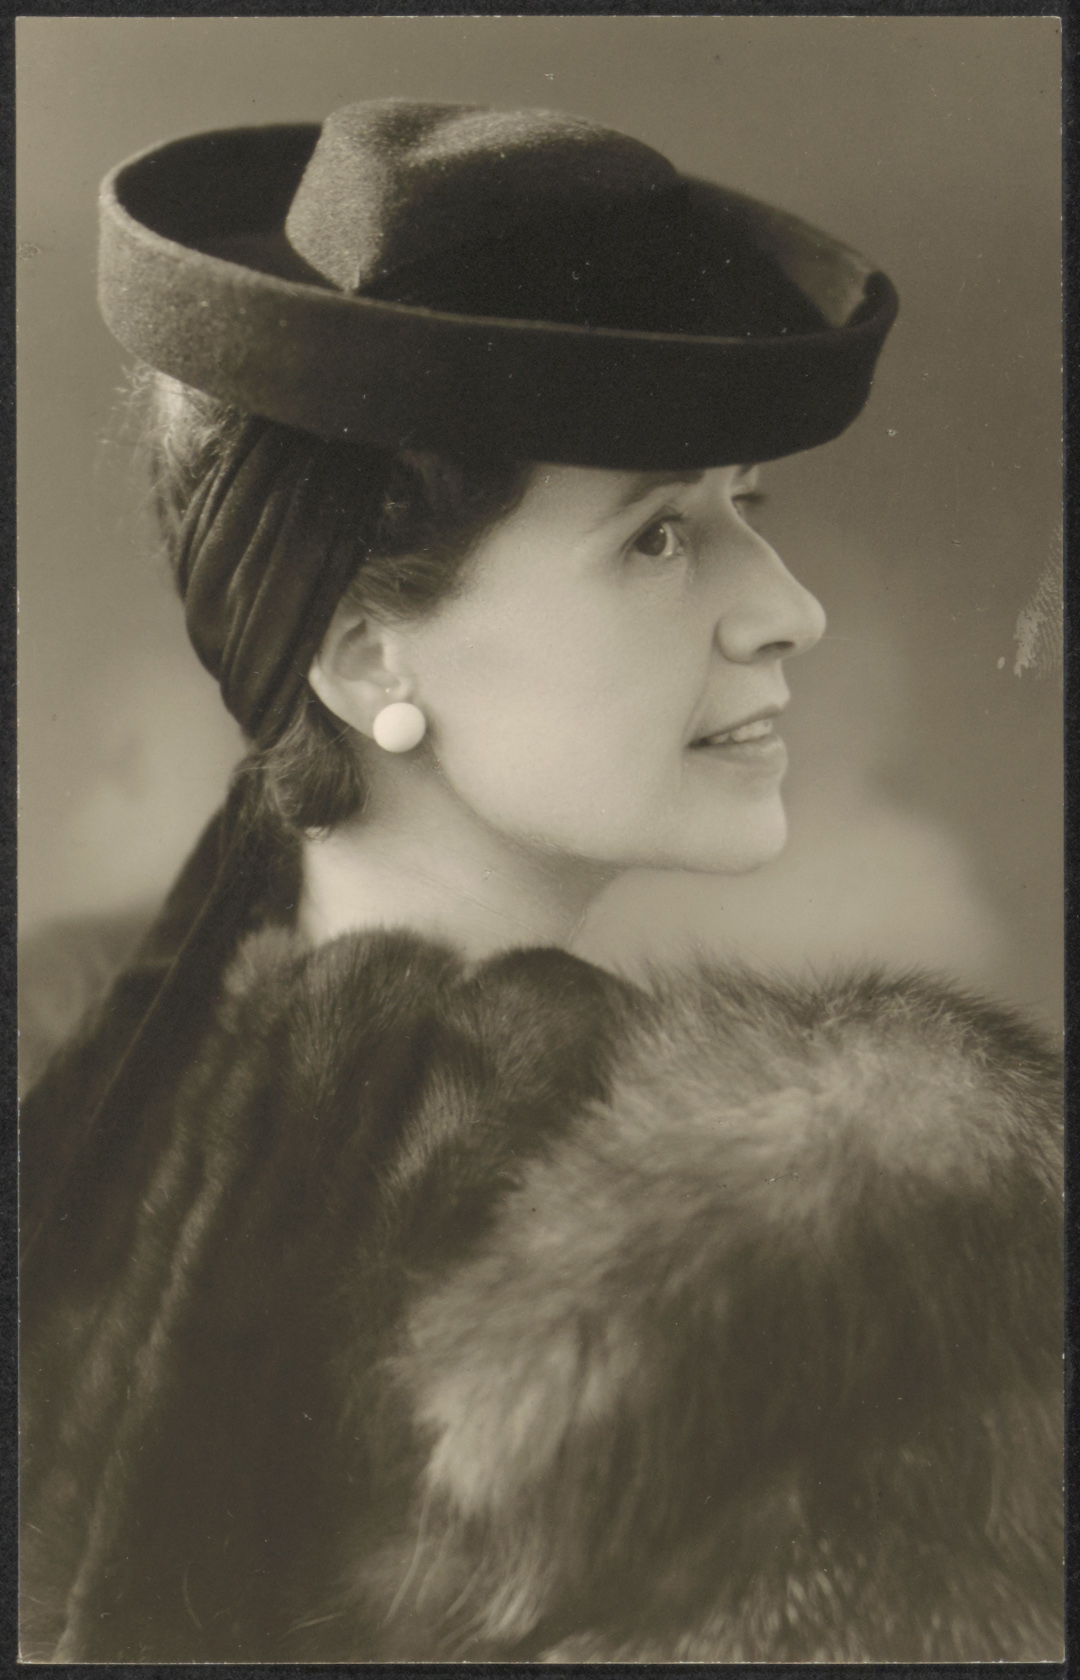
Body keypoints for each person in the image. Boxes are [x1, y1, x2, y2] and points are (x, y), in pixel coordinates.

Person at [19, 101, 1062, 1663]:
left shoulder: (93, 1125)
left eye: (748, 509)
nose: (788, 608)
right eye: (658, 538)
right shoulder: (851, 1281)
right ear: (369, 656)